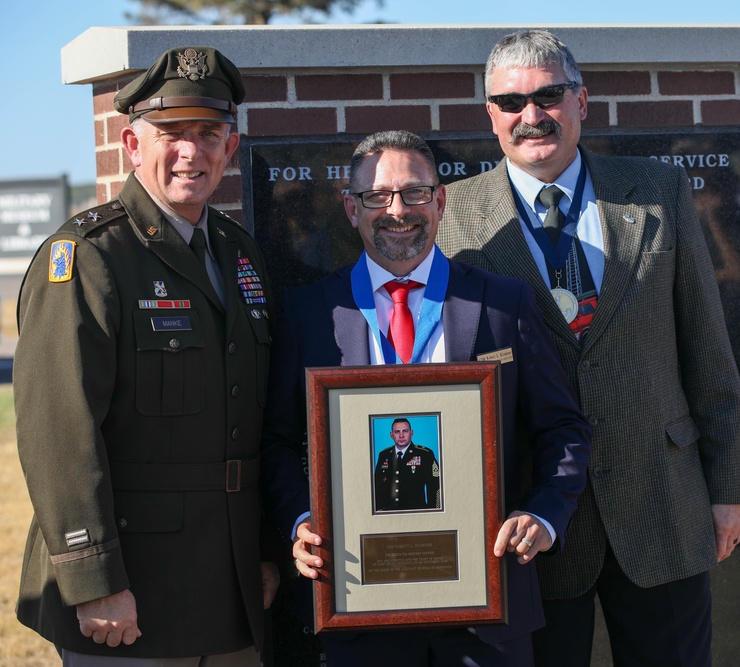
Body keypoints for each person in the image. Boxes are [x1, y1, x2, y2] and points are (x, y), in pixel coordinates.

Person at [437, 29, 740, 667]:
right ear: (490, 115)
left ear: (582, 101)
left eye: (549, 95)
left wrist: (727, 487)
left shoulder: (657, 192)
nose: (532, 115)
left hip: (664, 500)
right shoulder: (452, 215)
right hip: (531, 523)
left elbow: (708, 348)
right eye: (511, 101)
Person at [259, 129, 590, 666]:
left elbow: (563, 429)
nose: (398, 210)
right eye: (377, 196)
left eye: (414, 193)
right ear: (351, 208)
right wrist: (301, 522)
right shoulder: (308, 313)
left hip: (487, 602)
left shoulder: (504, 303)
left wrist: (544, 515)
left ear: (440, 201)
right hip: (356, 603)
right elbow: (275, 442)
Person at [14, 46, 278, 664]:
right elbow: (60, 431)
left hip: (230, 583)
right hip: (129, 590)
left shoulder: (239, 253)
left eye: (208, 134)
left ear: (230, 149)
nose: (192, 152)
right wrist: (92, 578)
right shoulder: (89, 257)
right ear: (132, 145)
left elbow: (257, 423)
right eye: (172, 134)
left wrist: (265, 549)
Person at [373, 417, 441, 511]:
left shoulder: (425, 454)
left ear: (411, 433)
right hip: (388, 514)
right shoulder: (384, 455)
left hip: (416, 513)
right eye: (397, 432)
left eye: (405, 431)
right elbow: (377, 487)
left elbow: (436, 487)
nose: (401, 435)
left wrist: (434, 513)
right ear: (391, 435)